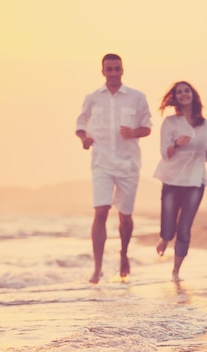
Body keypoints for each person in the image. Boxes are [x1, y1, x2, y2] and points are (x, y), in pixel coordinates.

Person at [75, 53, 152, 284]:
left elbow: (147, 127)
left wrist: (134, 132)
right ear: (103, 72)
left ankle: (123, 254)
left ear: (122, 70)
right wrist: (84, 139)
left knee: (125, 216)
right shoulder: (92, 98)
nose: (113, 73)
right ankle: (97, 268)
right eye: (109, 69)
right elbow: (80, 125)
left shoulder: (137, 97)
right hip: (101, 163)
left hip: (128, 164)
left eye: (117, 69)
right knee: (101, 211)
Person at [153, 81, 207, 281]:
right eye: (179, 92)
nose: (184, 94)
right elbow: (165, 153)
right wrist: (176, 144)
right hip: (172, 178)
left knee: (184, 228)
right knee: (168, 225)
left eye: (187, 91)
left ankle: (176, 271)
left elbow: (206, 155)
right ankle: (165, 238)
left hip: (195, 180)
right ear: (175, 97)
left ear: (193, 95)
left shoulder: (204, 123)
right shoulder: (170, 123)